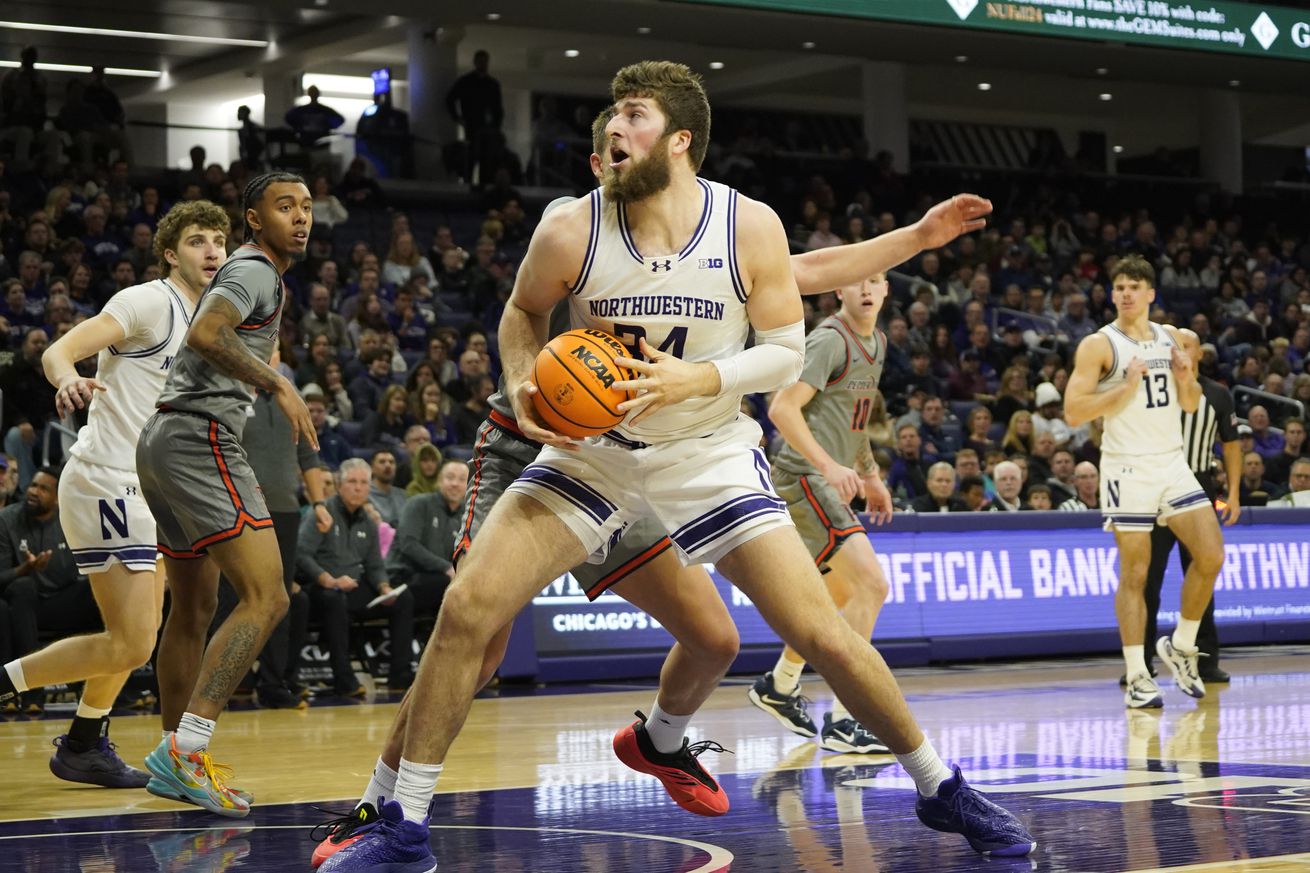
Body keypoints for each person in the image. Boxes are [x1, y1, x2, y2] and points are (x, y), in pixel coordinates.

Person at [317, 62, 1031, 872]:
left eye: (633, 116)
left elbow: (785, 352)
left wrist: (700, 379)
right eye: (609, 121)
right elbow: (522, 311)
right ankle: (402, 822)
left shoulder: (745, 225)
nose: (613, 131)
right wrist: (522, 383)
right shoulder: (571, 229)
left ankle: (941, 788)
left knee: (817, 632)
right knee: (470, 607)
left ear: (680, 139)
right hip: (596, 453)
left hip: (708, 451)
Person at [0, 201, 229, 786]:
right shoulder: (148, 301)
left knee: (138, 635)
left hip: (149, 487)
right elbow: (59, 350)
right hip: (107, 477)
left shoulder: (211, 319)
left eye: (219, 242)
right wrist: (68, 378)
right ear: (171, 253)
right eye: (198, 241)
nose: (211, 251)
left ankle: (83, 743)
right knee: (130, 644)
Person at [135, 173, 316, 817]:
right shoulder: (256, 270)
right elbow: (207, 334)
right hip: (199, 439)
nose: (299, 218)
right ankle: (188, 752)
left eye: (305, 208)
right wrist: (279, 384)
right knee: (268, 596)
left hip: (159, 440)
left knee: (194, 607)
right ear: (253, 219)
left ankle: (170, 753)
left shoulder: (255, 271)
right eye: (284, 207)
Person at [1064, 255, 1224, 710]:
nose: (1125, 295)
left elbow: (1191, 404)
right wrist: (1124, 388)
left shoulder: (1175, 339)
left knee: (1211, 556)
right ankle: (1137, 673)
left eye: (1134, 287)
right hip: (1126, 467)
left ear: (1152, 294)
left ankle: (1181, 645)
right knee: (1135, 572)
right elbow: (1075, 412)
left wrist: (1186, 376)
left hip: (1171, 462)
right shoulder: (1100, 345)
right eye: (1118, 288)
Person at [751, 275, 894, 754]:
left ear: (887, 290)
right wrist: (830, 466)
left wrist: (869, 474)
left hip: (826, 479)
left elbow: (855, 418)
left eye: (876, 280)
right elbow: (782, 409)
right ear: (840, 292)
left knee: (837, 600)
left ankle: (781, 683)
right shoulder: (830, 339)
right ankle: (843, 719)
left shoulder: (877, 342)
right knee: (872, 585)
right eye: (859, 282)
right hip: (803, 477)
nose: (867, 288)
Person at [1139, 329, 1241, 686]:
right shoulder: (1155, 389)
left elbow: (1231, 445)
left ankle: (1205, 659)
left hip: (1199, 484)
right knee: (1146, 581)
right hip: (1155, 488)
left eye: (1184, 347)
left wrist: (1235, 494)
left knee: (1204, 573)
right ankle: (1140, 664)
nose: (1176, 352)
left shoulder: (1216, 394)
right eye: (1172, 347)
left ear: (1199, 353)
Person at [237, 384, 333, 708]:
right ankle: (231, 680)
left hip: (285, 511)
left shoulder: (292, 399)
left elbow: (308, 455)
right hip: (238, 510)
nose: (268, 351)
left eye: (274, 345)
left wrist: (318, 502)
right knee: (229, 596)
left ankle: (273, 684)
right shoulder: (230, 391)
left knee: (280, 597)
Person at [300, 459, 415, 696]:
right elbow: (301, 554)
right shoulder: (322, 513)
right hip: (321, 588)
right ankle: (344, 680)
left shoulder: (369, 521)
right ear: (340, 484)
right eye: (352, 482)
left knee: (402, 599)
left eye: (364, 483)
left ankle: (399, 676)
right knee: (334, 600)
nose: (358, 488)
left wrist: (384, 587)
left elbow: (374, 564)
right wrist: (328, 580)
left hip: (353, 586)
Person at [0, 468, 102, 717]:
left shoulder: (69, 520)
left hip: (57, 603)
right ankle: (29, 694)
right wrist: (24, 569)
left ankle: (107, 693)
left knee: (98, 591)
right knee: (23, 588)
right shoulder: (7, 519)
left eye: (43, 488)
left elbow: (76, 573)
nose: (33, 491)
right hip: (19, 604)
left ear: (57, 497)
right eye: (33, 485)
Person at [387, 458, 467, 615]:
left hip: (438, 579)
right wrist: (446, 567)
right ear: (439, 481)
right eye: (450, 477)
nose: (455, 484)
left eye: (462, 479)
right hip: (404, 577)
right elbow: (409, 544)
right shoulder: (418, 504)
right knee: (450, 585)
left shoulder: (467, 514)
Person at [445, 50, 503, 186]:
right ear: (476, 62)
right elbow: (450, 99)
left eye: (484, 61)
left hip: (487, 128)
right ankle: (469, 183)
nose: (483, 64)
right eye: (481, 61)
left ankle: (482, 184)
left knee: (486, 159)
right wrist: (458, 118)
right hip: (473, 126)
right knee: (471, 157)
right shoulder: (467, 82)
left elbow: (498, 109)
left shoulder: (491, 84)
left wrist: (496, 126)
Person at [367, 450, 406, 527]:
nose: (388, 465)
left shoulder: (404, 495)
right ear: (372, 468)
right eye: (382, 462)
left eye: (391, 462)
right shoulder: (364, 495)